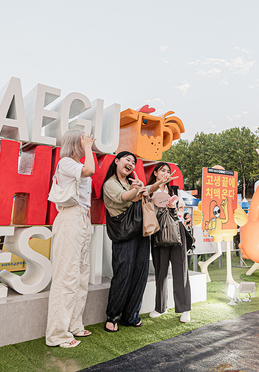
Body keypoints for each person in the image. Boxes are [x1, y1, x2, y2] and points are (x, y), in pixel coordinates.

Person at [45, 130, 95, 349]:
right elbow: (90, 169)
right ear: (76, 143)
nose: (87, 144)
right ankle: (57, 334)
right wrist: (88, 147)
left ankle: (74, 325)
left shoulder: (73, 165)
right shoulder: (65, 162)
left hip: (84, 218)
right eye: (82, 141)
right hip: (70, 218)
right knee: (66, 275)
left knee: (81, 275)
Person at [102, 151, 150, 332]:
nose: (130, 163)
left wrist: (146, 188)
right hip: (123, 234)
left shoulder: (132, 182)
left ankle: (131, 315)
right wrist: (137, 189)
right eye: (127, 160)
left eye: (133, 162)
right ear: (117, 161)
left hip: (141, 231)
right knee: (123, 274)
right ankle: (112, 316)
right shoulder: (110, 184)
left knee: (140, 274)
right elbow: (125, 197)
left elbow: (138, 197)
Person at [147, 162, 192, 323]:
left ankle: (185, 308)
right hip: (158, 232)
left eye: (168, 171)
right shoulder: (149, 189)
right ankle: (160, 307)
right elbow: (147, 210)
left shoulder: (174, 191)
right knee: (161, 271)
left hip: (176, 231)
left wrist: (173, 206)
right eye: (162, 170)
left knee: (181, 270)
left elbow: (182, 211)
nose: (165, 173)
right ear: (155, 173)